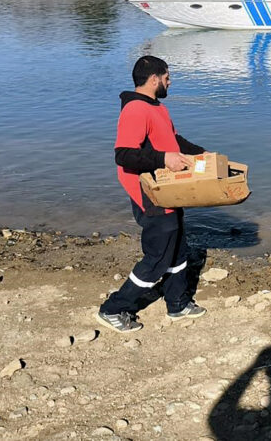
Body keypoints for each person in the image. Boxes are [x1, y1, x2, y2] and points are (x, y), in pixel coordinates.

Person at [97, 55, 208, 333]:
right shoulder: (135, 109)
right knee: (158, 256)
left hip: (169, 189)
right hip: (150, 193)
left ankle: (177, 303)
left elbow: (174, 142)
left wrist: (204, 155)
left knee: (179, 247)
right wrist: (163, 159)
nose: (170, 82)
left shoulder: (157, 107)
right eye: (167, 77)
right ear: (154, 78)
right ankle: (113, 309)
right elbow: (124, 155)